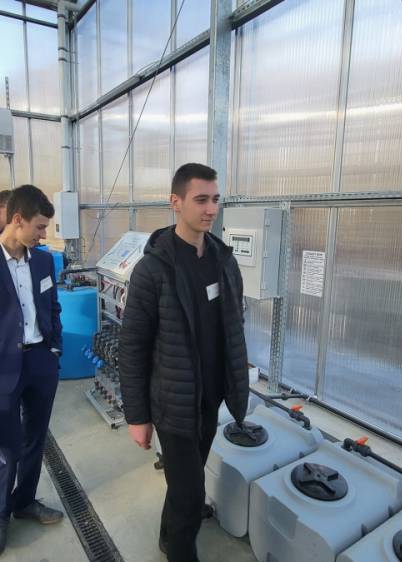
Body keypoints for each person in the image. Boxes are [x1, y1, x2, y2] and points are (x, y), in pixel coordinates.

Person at [118, 163, 250, 562]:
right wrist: (137, 416)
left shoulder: (224, 261)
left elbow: (234, 323)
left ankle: (167, 535)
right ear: (175, 202)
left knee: (183, 488)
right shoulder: (152, 271)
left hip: (209, 397)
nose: (211, 209)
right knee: (191, 494)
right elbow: (132, 347)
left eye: (215, 200)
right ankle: (179, 550)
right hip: (173, 403)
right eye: (201, 200)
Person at [0, 184, 65, 559]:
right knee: (6, 447)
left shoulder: (43, 262)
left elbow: (52, 308)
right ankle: (1, 514)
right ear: (17, 220)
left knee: (36, 439)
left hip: (41, 363)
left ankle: (25, 501)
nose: (43, 235)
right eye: (39, 226)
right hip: (2, 370)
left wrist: (54, 349)